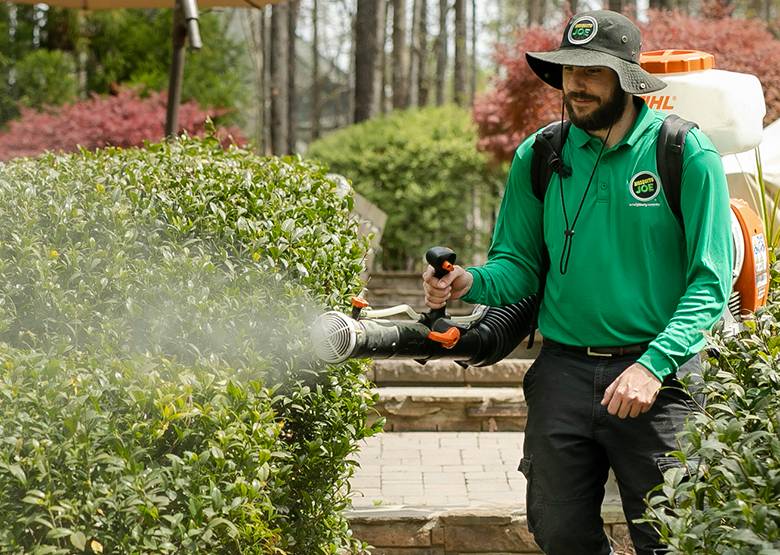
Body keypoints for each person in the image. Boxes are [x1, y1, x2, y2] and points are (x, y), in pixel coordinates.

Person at [422, 10, 732, 555]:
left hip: (658, 379)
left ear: (627, 78)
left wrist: (653, 366)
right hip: (563, 371)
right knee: (559, 532)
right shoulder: (539, 155)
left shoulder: (684, 153)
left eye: (592, 70)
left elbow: (709, 283)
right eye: (569, 69)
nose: (577, 83)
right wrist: (468, 282)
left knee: (672, 539)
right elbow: (517, 266)